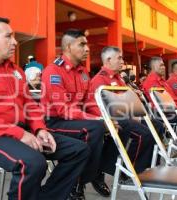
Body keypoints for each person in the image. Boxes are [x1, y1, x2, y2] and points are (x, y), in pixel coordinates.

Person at [0, 17, 89, 200]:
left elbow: (30, 105)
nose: (15, 42)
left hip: (21, 133)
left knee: (79, 150)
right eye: (8, 36)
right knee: (32, 163)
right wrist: (19, 134)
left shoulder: (15, 71)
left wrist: (40, 128)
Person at [41, 29, 105, 199]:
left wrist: (104, 118)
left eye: (87, 44)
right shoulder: (53, 71)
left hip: (74, 120)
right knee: (95, 128)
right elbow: (63, 110)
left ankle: (96, 174)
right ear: (68, 47)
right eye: (82, 44)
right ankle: (78, 182)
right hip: (54, 122)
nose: (87, 49)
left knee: (114, 127)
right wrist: (98, 120)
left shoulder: (83, 72)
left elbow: (90, 102)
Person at [85, 46, 156, 191]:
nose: (122, 61)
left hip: (126, 117)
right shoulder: (99, 79)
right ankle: (126, 171)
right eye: (119, 58)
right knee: (144, 134)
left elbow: (127, 100)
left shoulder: (119, 79)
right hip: (112, 118)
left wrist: (133, 113)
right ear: (108, 60)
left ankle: (131, 167)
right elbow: (97, 106)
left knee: (157, 126)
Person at [142, 57, 177, 139]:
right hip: (163, 112)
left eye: (163, 65)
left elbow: (173, 98)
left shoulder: (162, 81)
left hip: (172, 109)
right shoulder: (151, 81)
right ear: (153, 66)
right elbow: (162, 102)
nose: (164, 67)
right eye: (161, 65)